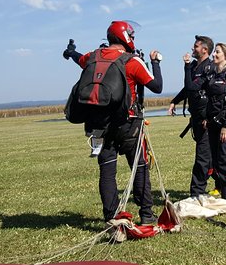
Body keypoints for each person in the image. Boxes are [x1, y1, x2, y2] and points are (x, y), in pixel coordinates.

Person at [63, 20, 163, 226]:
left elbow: (78, 58)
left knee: (107, 172)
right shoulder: (132, 61)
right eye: (132, 36)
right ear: (125, 37)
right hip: (128, 125)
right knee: (140, 166)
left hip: (99, 125)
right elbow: (157, 86)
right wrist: (156, 62)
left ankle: (112, 219)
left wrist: (70, 52)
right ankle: (146, 214)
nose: (133, 40)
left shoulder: (93, 57)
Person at [184, 42, 226, 205]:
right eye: (214, 52)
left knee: (225, 161)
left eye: (217, 52)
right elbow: (191, 87)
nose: (214, 55)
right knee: (216, 163)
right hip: (212, 125)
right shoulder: (209, 75)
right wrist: (188, 66)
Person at [168, 35, 215, 199]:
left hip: (206, 119)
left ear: (204, 50)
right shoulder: (195, 66)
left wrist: (186, 66)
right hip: (196, 118)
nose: (192, 49)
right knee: (208, 154)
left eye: (195, 46)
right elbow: (187, 89)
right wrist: (174, 101)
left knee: (203, 155)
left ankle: (197, 192)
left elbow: (192, 87)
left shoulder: (210, 68)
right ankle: (220, 184)